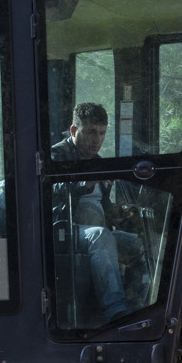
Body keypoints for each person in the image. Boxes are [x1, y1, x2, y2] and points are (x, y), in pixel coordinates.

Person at [49, 103, 137, 323]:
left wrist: (119, 213)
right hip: (64, 229)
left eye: (102, 133)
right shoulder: (56, 155)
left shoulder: (99, 162)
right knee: (100, 235)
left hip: (97, 230)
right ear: (73, 130)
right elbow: (51, 192)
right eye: (90, 132)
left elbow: (104, 205)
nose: (97, 139)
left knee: (137, 243)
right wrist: (87, 182)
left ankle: (140, 302)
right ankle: (116, 311)